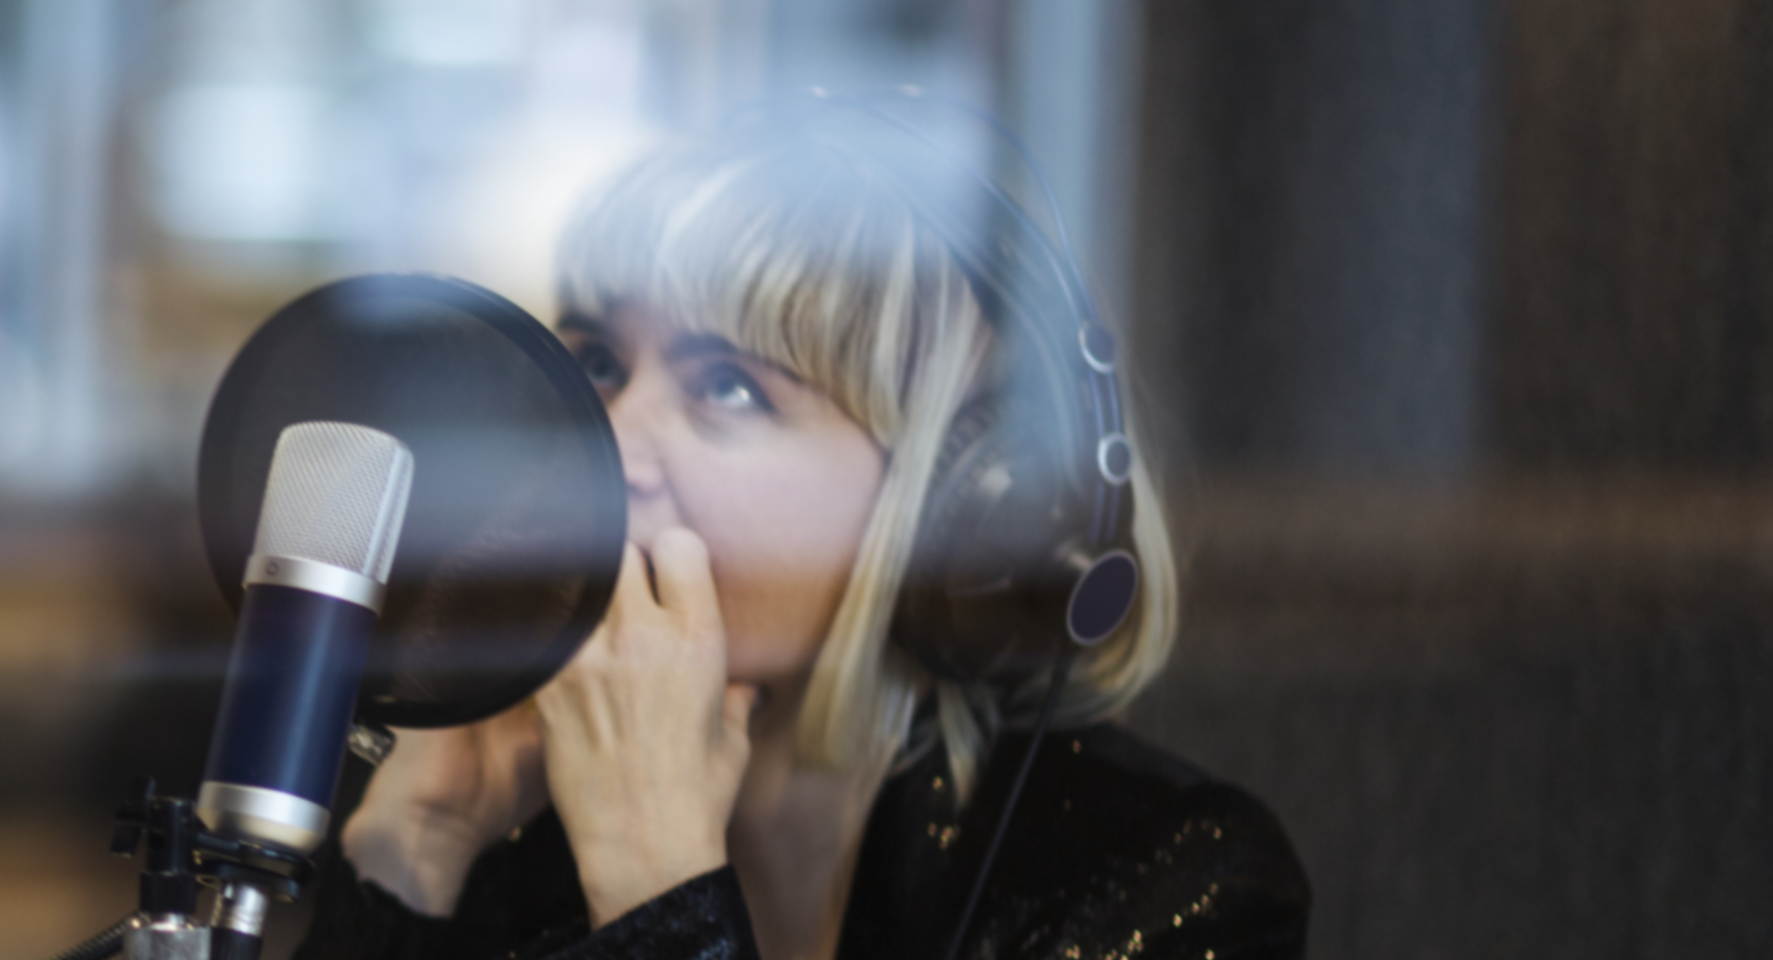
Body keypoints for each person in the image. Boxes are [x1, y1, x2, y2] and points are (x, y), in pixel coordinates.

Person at [301, 104, 1310, 960]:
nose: (611, 436)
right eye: (602, 361)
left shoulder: (1167, 877)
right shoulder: (513, 843)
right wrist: (415, 850)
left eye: (729, 386)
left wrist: (656, 890)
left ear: (955, 505)